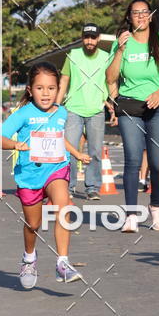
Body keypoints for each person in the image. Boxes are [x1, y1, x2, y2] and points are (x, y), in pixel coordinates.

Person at [0, 62, 91, 288]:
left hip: (56, 169)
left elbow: (58, 137)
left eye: (51, 88)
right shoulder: (22, 114)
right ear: (30, 90)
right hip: (29, 176)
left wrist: (76, 153)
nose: (46, 93)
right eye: (40, 88)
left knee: (63, 206)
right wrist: (15, 145)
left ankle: (63, 263)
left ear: (57, 89)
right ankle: (29, 258)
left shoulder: (61, 111)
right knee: (33, 224)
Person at [105, 0, 159, 233]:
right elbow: (110, 77)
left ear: (151, 15)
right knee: (133, 159)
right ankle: (130, 215)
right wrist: (120, 50)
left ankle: (156, 207)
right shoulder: (122, 43)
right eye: (135, 13)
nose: (140, 16)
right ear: (129, 17)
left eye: (144, 12)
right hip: (130, 106)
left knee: (158, 162)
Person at [56, 23, 116, 200]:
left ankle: (92, 187)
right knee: (70, 150)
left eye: (93, 37)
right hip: (73, 109)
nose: (90, 41)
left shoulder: (106, 57)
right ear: (82, 38)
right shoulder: (73, 55)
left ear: (98, 39)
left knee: (95, 151)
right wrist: (56, 108)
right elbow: (63, 82)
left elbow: (111, 82)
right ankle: (69, 186)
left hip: (96, 110)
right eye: (86, 37)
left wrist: (115, 106)